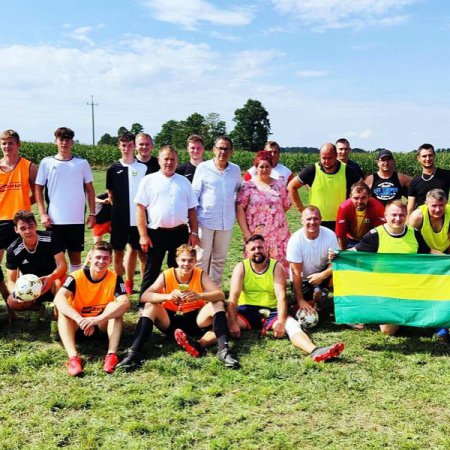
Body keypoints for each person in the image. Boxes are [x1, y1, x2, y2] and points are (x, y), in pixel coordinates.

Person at [117, 244, 238, 369]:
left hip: (195, 319)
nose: (186, 264)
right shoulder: (167, 274)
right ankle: (134, 353)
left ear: (195, 261)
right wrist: (168, 296)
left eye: (190, 260)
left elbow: (220, 295)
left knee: (217, 304)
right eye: (183, 260)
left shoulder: (200, 274)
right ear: (176, 260)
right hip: (170, 320)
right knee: (149, 306)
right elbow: (145, 296)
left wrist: (199, 296)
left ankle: (224, 351)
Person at [227, 234, 344, 362]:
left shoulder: (276, 266)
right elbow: (233, 297)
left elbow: (281, 296)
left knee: (292, 325)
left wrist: (281, 322)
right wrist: (233, 322)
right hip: (245, 310)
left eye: (260, 247)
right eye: (253, 249)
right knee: (223, 323)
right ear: (246, 253)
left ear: (267, 249)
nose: (257, 251)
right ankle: (203, 344)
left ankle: (315, 350)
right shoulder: (241, 267)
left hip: (271, 311)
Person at [350, 200, 439, 336]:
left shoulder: (414, 233)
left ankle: (407, 312)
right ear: (385, 216)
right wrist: (337, 254)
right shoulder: (375, 235)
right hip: (385, 290)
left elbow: (429, 252)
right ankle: (382, 310)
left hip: (410, 288)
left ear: (406, 216)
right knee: (388, 332)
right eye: (394, 215)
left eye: (402, 215)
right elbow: (355, 252)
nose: (398, 219)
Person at [54, 241, 130, 376]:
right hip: (78, 325)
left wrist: (98, 319)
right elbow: (58, 298)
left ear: (111, 260)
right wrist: (79, 319)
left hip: (100, 324)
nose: (101, 261)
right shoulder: (76, 276)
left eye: (105, 258)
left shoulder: (115, 279)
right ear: (90, 258)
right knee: (63, 310)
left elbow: (125, 303)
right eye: (98, 257)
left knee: (117, 308)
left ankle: (111, 355)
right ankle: (73, 358)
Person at [135, 145, 200, 296]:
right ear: (159, 160)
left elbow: (191, 210)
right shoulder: (148, 181)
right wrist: (143, 235)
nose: (169, 162)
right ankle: (145, 302)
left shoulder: (184, 182)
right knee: (152, 269)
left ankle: (177, 300)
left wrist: (194, 232)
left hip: (180, 232)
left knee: (178, 269)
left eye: (172, 159)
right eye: (166, 159)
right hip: (156, 233)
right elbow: (140, 209)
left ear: (177, 161)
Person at [35, 127, 96, 273]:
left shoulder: (82, 163)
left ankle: (74, 290)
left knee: (76, 260)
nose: (64, 143)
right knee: (56, 259)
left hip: (76, 220)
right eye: (61, 139)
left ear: (72, 142)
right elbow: (38, 189)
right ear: (56, 141)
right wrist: (43, 214)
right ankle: (57, 292)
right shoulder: (46, 163)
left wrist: (92, 214)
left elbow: (90, 189)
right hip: (55, 221)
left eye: (67, 139)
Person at [192, 136, 241, 286]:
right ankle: (199, 291)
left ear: (231, 151)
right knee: (201, 259)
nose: (223, 151)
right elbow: (194, 196)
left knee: (219, 260)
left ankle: (214, 292)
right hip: (204, 221)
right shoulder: (203, 168)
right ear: (214, 150)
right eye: (220, 148)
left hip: (226, 223)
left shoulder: (235, 170)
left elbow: (239, 191)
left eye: (226, 148)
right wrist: (192, 226)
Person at [106, 131, 147, 295]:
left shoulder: (143, 168)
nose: (127, 148)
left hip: (138, 221)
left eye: (130, 145)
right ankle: (119, 289)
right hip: (119, 221)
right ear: (119, 146)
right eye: (123, 145)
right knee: (118, 255)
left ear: (134, 146)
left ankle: (144, 289)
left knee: (142, 256)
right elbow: (111, 196)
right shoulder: (113, 169)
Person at [0, 129, 38, 305]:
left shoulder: (29, 166)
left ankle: (29, 301)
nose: (7, 146)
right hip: (0, 221)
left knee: (24, 263)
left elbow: (38, 192)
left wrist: (24, 204)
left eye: (11, 143)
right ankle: (8, 301)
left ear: (18, 145)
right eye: (4, 143)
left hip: (21, 223)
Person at [237, 150, 290, 273]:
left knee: (277, 264)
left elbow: (285, 205)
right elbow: (239, 207)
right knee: (257, 261)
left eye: (268, 166)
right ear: (256, 168)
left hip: (277, 234)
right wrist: (245, 231)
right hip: (256, 233)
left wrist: (273, 216)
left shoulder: (279, 185)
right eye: (261, 166)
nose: (265, 169)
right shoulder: (248, 186)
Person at [287, 143, 361, 230]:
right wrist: (302, 211)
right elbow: (291, 186)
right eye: (323, 158)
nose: (326, 162)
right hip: (316, 221)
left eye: (329, 158)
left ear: (336, 156)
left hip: (341, 220)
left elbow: (362, 189)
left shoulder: (347, 170)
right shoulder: (312, 170)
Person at [6, 210, 66, 316]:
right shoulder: (13, 250)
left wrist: (51, 278)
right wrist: (17, 293)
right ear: (16, 229)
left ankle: (57, 318)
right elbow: (10, 280)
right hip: (30, 288)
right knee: (12, 302)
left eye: (30, 226)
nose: (28, 231)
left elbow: (63, 265)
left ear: (36, 225)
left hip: (51, 282)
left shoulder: (50, 238)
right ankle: (38, 308)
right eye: (23, 228)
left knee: (61, 280)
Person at [286, 206, 339, 314]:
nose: (312, 222)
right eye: (308, 219)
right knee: (298, 309)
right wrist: (300, 300)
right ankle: (317, 297)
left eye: (315, 218)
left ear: (321, 219)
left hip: (322, 273)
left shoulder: (330, 234)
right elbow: (296, 273)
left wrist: (322, 275)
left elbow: (337, 262)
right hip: (303, 279)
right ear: (301, 220)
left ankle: (324, 293)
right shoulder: (295, 240)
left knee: (342, 273)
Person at [335, 181, 385, 250]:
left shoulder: (378, 207)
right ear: (350, 197)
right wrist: (343, 252)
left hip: (370, 240)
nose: (359, 201)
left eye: (363, 198)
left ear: (369, 197)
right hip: (351, 240)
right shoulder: (344, 207)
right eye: (356, 198)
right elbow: (341, 234)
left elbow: (381, 232)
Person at [407, 143, 450, 218]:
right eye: (424, 156)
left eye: (430, 155)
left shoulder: (446, 175)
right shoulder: (415, 181)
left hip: (443, 220)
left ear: (434, 156)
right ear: (418, 158)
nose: (427, 159)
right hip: (422, 221)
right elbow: (410, 208)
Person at [409, 189, 450, 253]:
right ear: (426, 204)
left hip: (445, 252)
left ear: (446, 202)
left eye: (441, 205)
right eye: (434, 205)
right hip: (425, 253)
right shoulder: (417, 217)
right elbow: (410, 239)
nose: (437, 210)